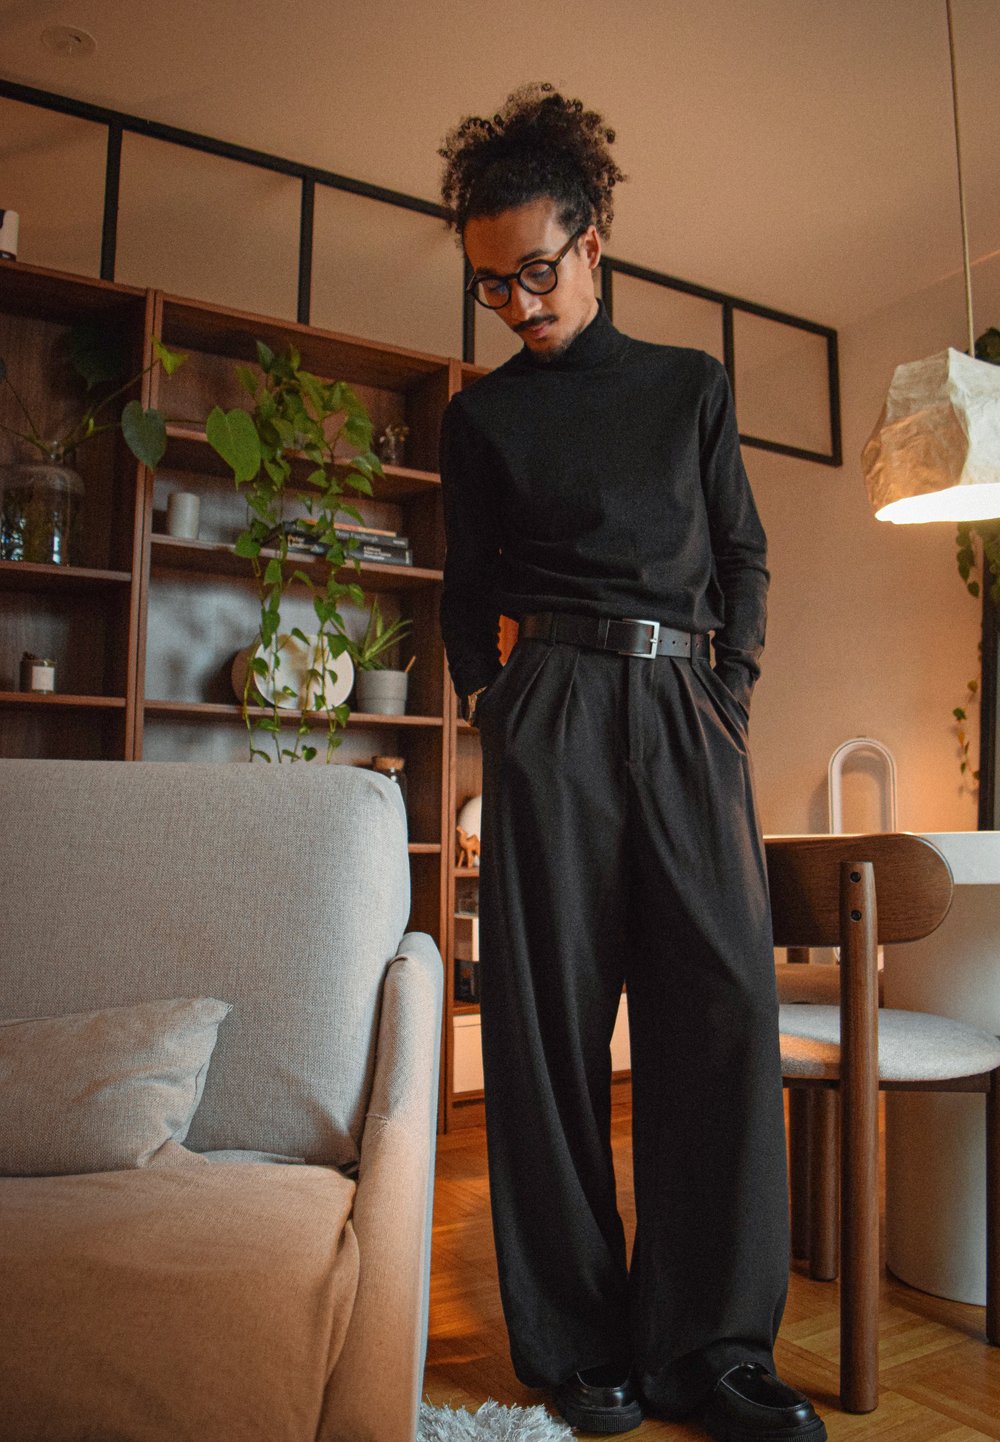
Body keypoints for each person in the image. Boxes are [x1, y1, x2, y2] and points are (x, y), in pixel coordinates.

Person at [437, 83, 826, 1442]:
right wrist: (498, 704)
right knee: (544, 1035)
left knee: (719, 1014)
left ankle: (709, 1348)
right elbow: (459, 595)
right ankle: (578, 1343)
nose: (520, 305)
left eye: (536, 271)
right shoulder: (483, 421)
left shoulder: (690, 386)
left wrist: (727, 697)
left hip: (684, 711)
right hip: (549, 708)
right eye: (492, 287)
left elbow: (746, 555)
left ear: (593, 239)